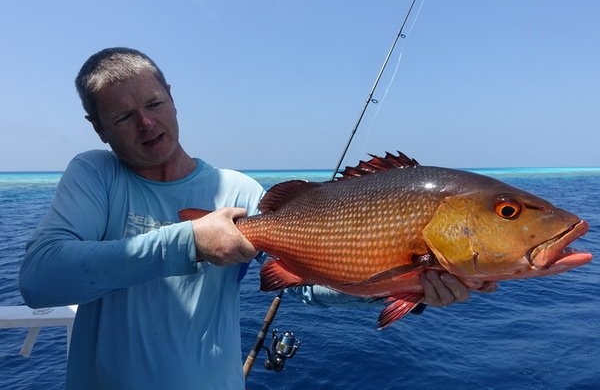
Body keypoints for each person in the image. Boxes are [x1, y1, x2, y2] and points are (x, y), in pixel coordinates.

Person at [19, 47, 492, 390]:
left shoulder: (239, 192)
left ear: (172, 97)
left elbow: (305, 282)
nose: (147, 123)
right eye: (123, 117)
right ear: (98, 127)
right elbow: (41, 279)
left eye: (154, 104)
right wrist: (189, 242)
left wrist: (410, 288)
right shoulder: (96, 175)